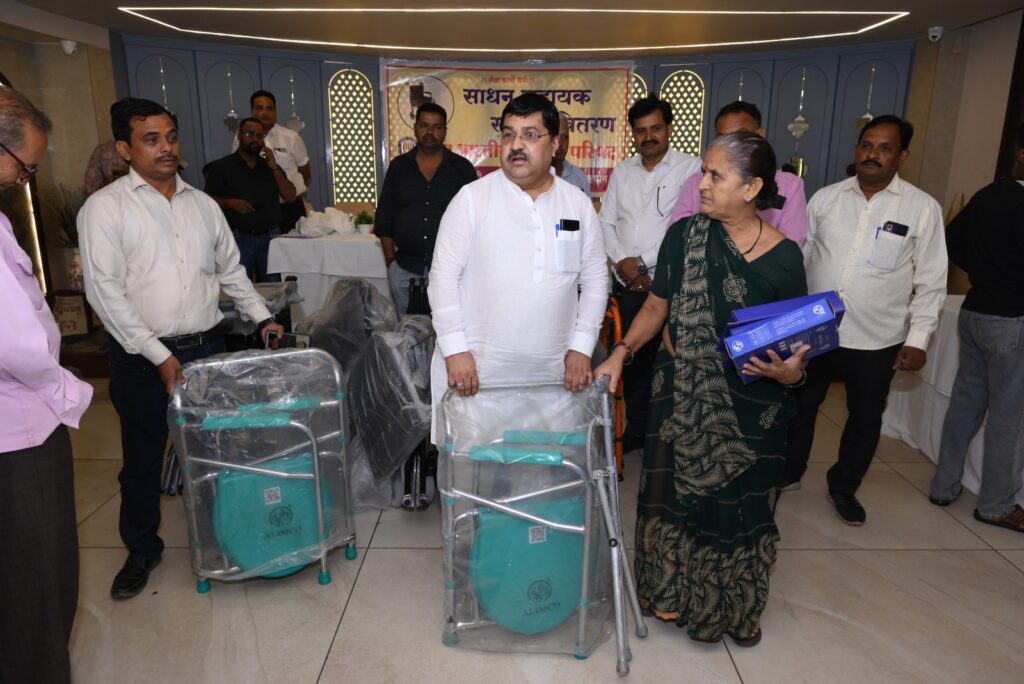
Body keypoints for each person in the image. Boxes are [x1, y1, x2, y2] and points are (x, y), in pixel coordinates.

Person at [595, 131, 808, 646]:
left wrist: (790, 374)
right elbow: (656, 307)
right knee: (673, 498)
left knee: (741, 507)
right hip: (680, 394)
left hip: (752, 406)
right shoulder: (684, 236)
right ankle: (670, 593)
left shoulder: (785, 259)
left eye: (716, 175)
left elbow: (795, 348)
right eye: (703, 172)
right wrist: (620, 353)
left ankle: (735, 608)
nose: (702, 184)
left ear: (752, 187)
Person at [79, 97, 284, 600]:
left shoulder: (203, 205)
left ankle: (225, 537)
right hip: (140, 358)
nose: (166, 147)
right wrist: (159, 356)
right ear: (125, 148)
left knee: (217, 453)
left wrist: (262, 318)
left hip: (206, 350)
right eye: (151, 139)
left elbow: (231, 270)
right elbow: (105, 293)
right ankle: (142, 550)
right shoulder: (105, 209)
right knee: (144, 459)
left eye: (170, 136)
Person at [783, 115, 947, 525]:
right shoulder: (826, 199)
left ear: (902, 155)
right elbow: (801, 257)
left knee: (864, 418)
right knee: (799, 407)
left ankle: (843, 487)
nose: (873, 154)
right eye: (867, 145)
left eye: (885, 148)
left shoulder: (922, 208)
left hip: (877, 337)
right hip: (815, 330)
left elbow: (931, 281)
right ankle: (787, 473)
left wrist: (919, 339)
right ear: (857, 149)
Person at [428, 92, 606, 425]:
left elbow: (595, 282)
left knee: (547, 458)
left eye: (530, 135)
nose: (516, 145)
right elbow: (442, 279)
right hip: (477, 378)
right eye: (508, 135)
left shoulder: (577, 204)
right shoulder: (471, 200)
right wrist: (454, 349)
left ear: (555, 144)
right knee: (476, 460)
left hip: (553, 381)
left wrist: (582, 347)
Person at [0, 86, 93, 684]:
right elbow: (19, 346)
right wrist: (67, 390)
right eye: (23, 166)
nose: (23, 180)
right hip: (20, 435)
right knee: (38, 582)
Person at [929, 123, 1024, 533]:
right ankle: (996, 505)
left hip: (975, 310)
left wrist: (985, 274)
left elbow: (951, 238)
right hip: (1013, 319)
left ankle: (944, 485)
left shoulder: (990, 193)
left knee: (966, 404)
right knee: (1009, 417)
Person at [599, 95, 701, 452]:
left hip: (671, 281)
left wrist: (642, 262)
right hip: (629, 283)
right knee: (634, 361)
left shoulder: (691, 168)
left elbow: (684, 225)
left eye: (655, 128)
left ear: (669, 128)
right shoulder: (622, 171)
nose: (648, 136)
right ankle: (638, 430)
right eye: (641, 131)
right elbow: (606, 223)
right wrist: (624, 263)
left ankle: (669, 435)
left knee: (671, 361)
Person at [376, 103, 477, 316]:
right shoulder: (399, 167)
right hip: (404, 268)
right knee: (407, 331)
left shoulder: (462, 169)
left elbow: (475, 220)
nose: (430, 132)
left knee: (447, 328)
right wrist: (390, 260)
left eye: (437, 127)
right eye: (424, 125)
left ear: (445, 131)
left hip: (449, 270)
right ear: (415, 128)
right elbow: (384, 217)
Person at [669, 101, 808, 246]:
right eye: (723, 138)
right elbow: (676, 237)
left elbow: (792, 242)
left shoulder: (789, 185)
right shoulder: (697, 181)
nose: (731, 146)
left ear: (759, 135)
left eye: (740, 136)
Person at [206, 117, 297, 282]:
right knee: (241, 287)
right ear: (239, 136)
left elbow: (290, 196)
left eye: (260, 136)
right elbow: (207, 200)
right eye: (249, 134)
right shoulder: (222, 166)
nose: (255, 139)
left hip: (271, 238)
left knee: (274, 288)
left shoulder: (269, 166)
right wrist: (230, 203)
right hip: (240, 238)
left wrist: (274, 168)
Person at [233, 89, 311, 231]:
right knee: (264, 246)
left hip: (290, 208)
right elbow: (236, 170)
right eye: (259, 108)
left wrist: (293, 193)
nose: (265, 113)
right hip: (258, 211)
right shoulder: (241, 140)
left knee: (296, 245)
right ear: (252, 111)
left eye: (269, 108)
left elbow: (305, 171)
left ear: (275, 112)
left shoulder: (291, 137)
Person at [552, 110, 591, 196]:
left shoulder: (579, 177)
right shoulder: (532, 178)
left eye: (564, 137)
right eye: (555, 137)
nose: (560, 143)